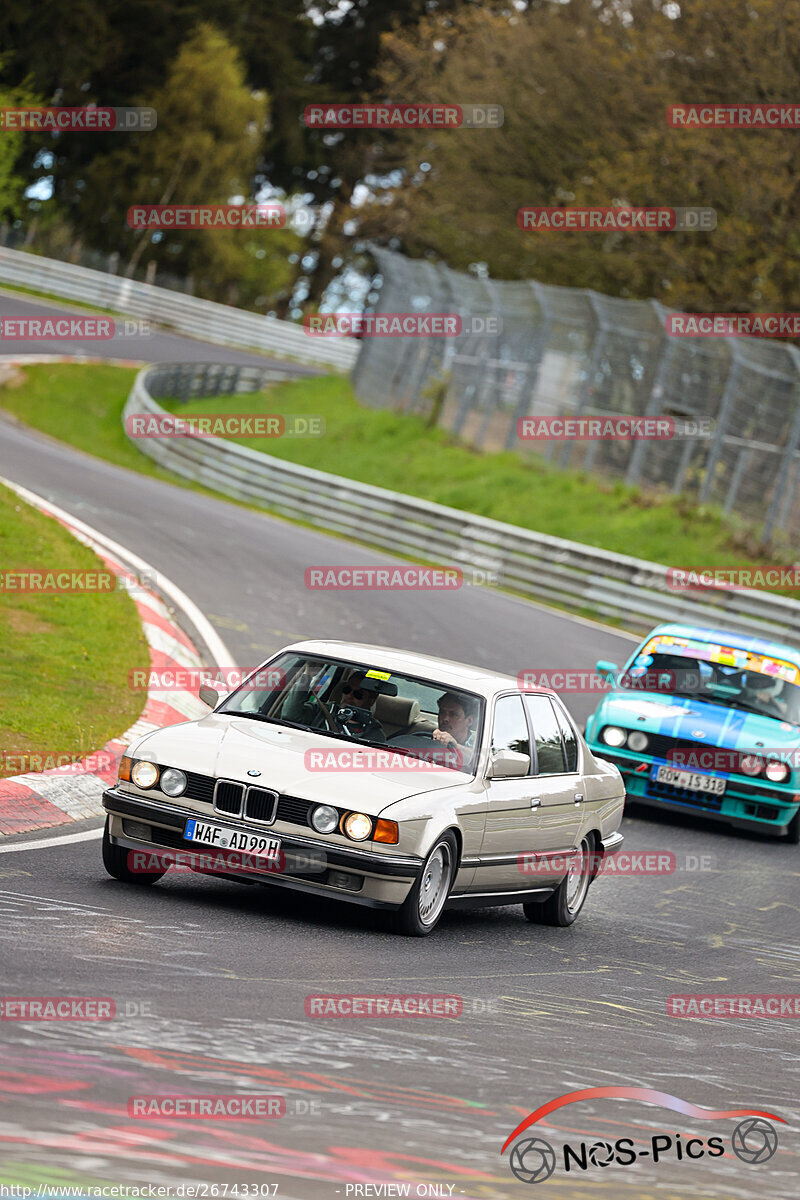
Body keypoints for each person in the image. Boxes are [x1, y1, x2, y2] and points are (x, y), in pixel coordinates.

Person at [432, 692, 477, 767]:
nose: (445, 719)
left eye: (453, 714)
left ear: (469, 721)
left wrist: (454, 746)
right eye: (442, 712)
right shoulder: (426, 736)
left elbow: (479, 759)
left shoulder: (480, 743)